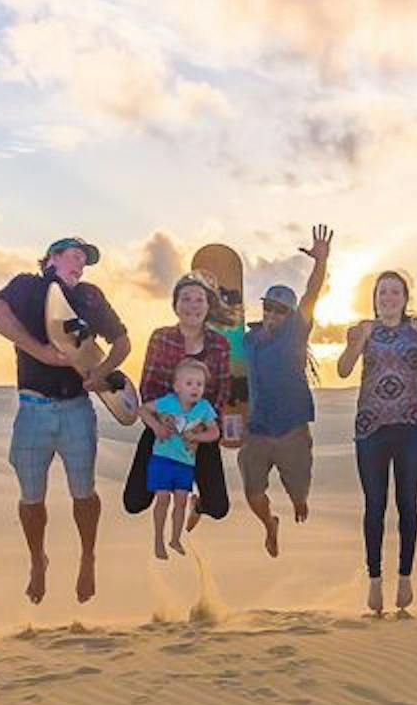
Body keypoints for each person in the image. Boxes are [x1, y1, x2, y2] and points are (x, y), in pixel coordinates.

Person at [0, 238, 132, 606]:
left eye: (85, 260)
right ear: (52, 258)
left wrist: (102, 372)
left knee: (84, 492)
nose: (80, 263)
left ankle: (88, 557)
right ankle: (38, 560)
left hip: (76, 408)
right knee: (31, 497)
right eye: (74, 255)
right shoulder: (26, 287)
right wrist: (40, 353)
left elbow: (123, 342)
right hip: (32, 408)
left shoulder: (90, 297)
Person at [337, 270, 417, 616]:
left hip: (409, 424)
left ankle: (404, 577)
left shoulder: (416, 329)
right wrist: (354, 342)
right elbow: (342, 370)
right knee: (374, 505)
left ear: (404, 296)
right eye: (383, 292)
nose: (388, 297)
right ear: (375, 297)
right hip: (371, 425)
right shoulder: (364, 328)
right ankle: (374, 580)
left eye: (395, 292)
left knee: (407, 504)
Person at [239, 225, 332, 556]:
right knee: (252, 493)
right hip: (258, 429)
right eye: (268, 308)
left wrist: (320, 262)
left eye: (279, 310)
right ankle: (269, 525)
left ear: (289, 315)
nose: (272, 314)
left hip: (292, 428)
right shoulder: (248, 340)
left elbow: (311, 294)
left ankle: (297, 498)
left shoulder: (295, 333)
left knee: (299, 495)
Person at [123, 274, 233, 521]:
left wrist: (200, 428)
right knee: (134, 503)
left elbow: (222, 391)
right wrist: (165, 423)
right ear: (175, 305)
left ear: (208, 306)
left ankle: (197, 502)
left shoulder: (220, 344)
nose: (192, 305)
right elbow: (149, 387)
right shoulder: (161, 338)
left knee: (218, 508)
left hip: (200, 428)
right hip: (164, 425)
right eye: (186, 299)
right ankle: (166, 484)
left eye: (199, 300)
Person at [144, 357, 221, 559]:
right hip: (162, 458)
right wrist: (157, 427)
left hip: (185, 463)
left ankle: (175, 539)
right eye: (189, 383)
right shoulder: (167, 402)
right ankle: (158, 540)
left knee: (181, 501)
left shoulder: (204, 408)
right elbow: (143, 410)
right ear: (177, 386)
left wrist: (196, 436)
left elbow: (214, 432)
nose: (195, 388)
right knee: (162, 499)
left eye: (200, 384)